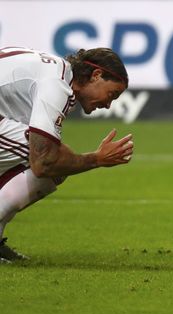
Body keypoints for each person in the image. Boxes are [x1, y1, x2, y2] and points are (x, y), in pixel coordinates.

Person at [0, 47, 134, 262]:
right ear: (96, 75)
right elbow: (43, 163)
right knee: (49, 160)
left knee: (59, 163)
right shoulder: (57, 86)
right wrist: (97, 159)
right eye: (112, 94)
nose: (108, 104)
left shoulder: (57, 73)